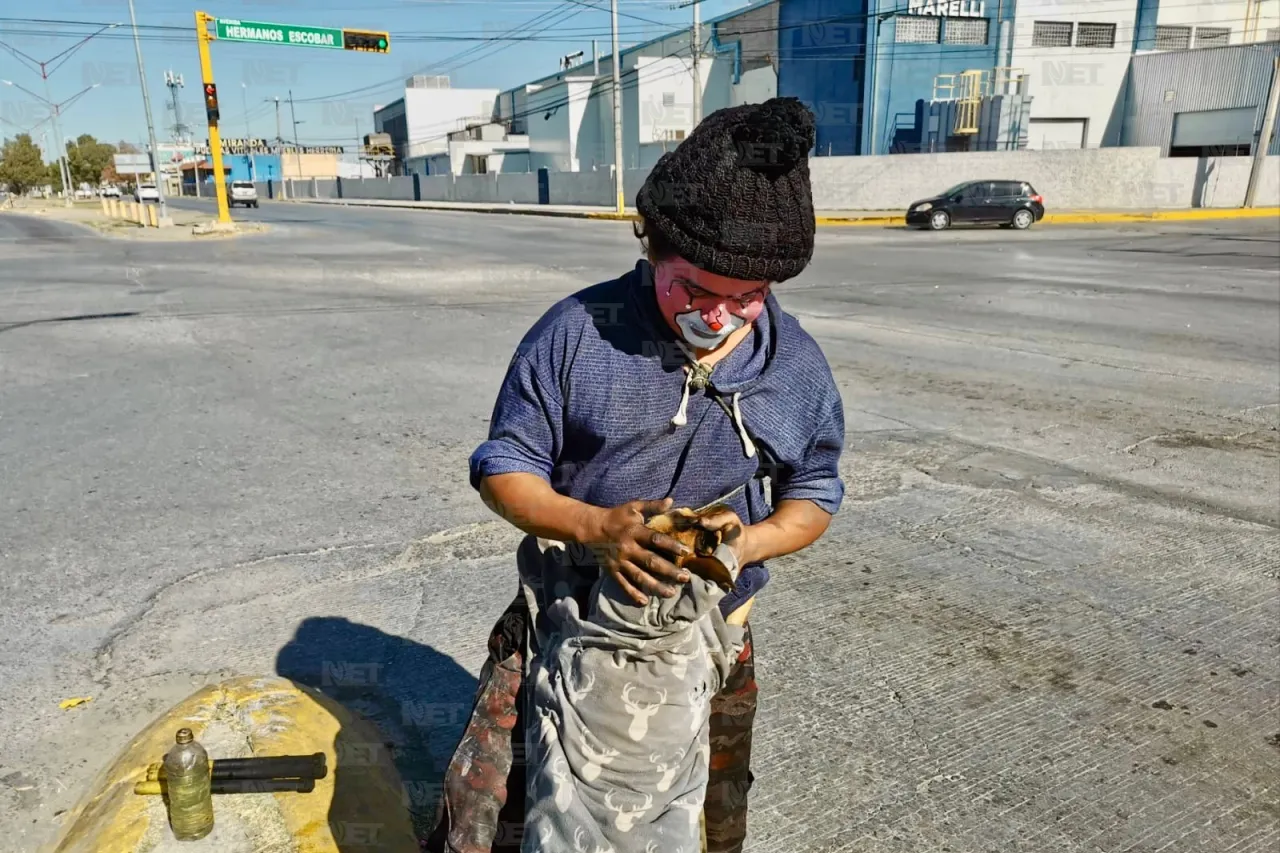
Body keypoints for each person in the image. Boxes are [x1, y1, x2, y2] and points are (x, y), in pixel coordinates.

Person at [424, 96, 845, 853]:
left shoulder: (795, 367)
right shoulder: (576, 335)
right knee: (489, 823)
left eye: (744, 298)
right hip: (562, 621)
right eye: (693, 288)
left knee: (705, 827)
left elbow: (814, 492)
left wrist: (747, 544)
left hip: (713, 641)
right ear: (649, 244)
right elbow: (503, 469)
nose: (716, 317)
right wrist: (593, 527)